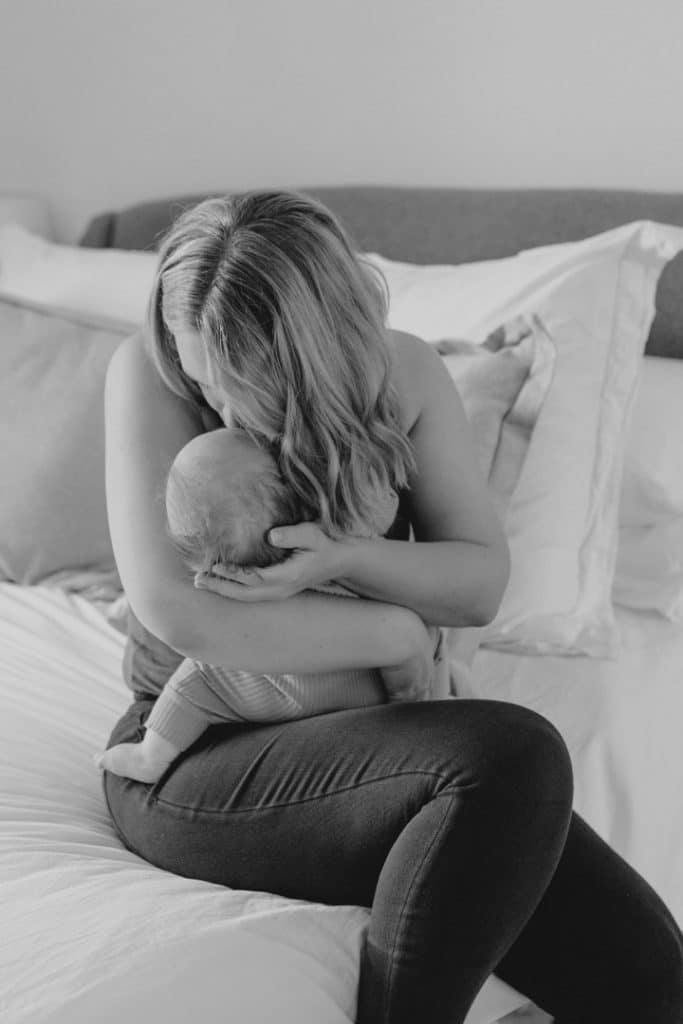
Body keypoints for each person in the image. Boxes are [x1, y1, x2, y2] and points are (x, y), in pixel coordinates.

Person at [101, 189, 683, 1024]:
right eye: (204, 376)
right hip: (198, 746)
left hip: (365, 734)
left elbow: (479, 584)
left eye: (248, 380)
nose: (224, 407)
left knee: (645, 969)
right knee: (509, 753)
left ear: (319, 347)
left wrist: (349, 560)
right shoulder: (147, 375)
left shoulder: (401, 374)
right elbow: (185, 616)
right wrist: (396, 630)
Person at [97, 425, 448, 784]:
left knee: (198, 677)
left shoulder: (231, 599)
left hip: (272, 693)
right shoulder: (336, 532)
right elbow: (382, 505)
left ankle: (151, 755)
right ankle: (435, 706)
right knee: (428, 635)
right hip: (370, 683)